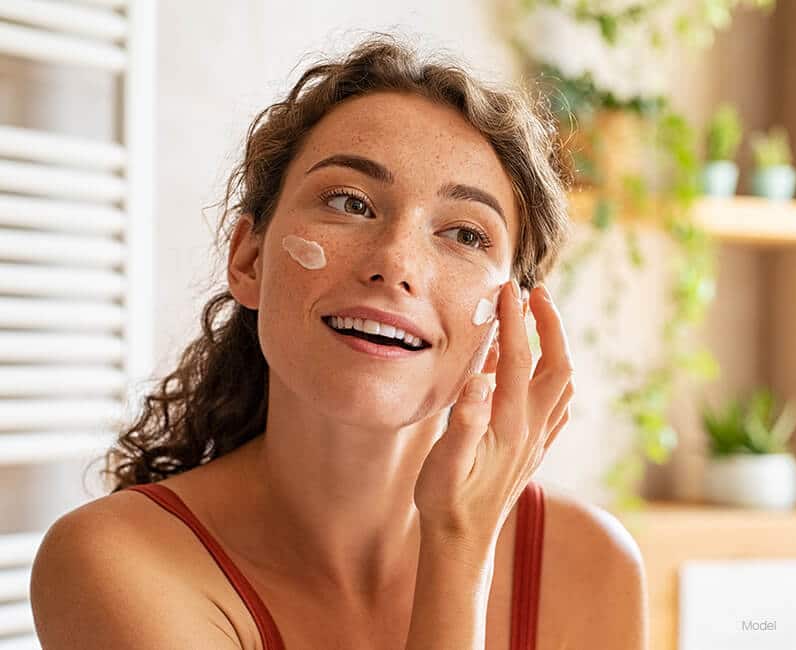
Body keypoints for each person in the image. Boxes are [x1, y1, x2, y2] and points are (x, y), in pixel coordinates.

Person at [30, 32, 647, 649]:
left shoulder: (588, 568)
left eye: (464, 235)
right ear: (248, 259)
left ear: (512, 319)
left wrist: (461, 539)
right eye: (349, 202)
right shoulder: (116, 560)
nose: (395, 263)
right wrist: (457, 553)